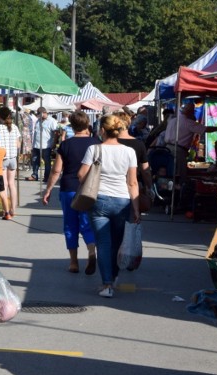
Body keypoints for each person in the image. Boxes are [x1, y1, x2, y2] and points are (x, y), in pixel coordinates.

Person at [77, 115, 139, 298]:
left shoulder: (94, 149)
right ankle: (114, 275)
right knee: (116, 242)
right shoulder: (129, 152)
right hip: (122, 201)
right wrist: (136, 209)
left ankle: (107, 284)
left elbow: (81, 175)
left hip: (99, 199)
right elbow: (133, 182)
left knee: (103, 243)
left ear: (102, 130)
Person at [43, 111, 98, 274]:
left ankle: (73, 262)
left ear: (72, 126)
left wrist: (48, 189)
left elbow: (56, 171)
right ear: (87, 124)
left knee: (70, 225)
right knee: (87, 223)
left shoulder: (65, 145)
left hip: (69, 187)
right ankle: (91, 251)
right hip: (90, 188)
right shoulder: (96, 143)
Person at [164, 102, 217, 186]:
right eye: (193, 111)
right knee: (181, 175)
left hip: (167, 147)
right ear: (189, 112)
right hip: (178, 150)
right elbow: (205, 129)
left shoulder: (173, 120)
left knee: (172, 172)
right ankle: (180, 192)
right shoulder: (188, 122)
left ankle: (173, 190)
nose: (194, 113)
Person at [114, 110, 153, 199]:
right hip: (132, 186)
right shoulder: (139, 144)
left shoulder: (107, 143)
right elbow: (145, 170)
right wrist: (150, 187)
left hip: (110, 189)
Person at [0, 106, 20, 218]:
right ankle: (13, 208)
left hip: (2, 158)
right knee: (12, 184)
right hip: (13, 157)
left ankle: (6, 210)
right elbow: (18, 144)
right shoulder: (15, 127)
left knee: (4, 185)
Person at [28, 106, 57, 182]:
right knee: (35, 161)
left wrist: (54, 143)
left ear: (44, 113)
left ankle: (46, 177)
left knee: (47, 162)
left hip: (46, 146)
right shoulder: (38, 121)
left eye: (39, 114)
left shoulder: (52, 121)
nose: (37, 115)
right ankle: (34, 175)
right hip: (36, 145)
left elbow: (55, 133)